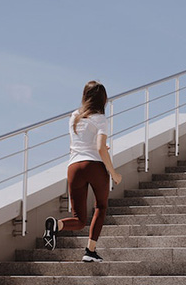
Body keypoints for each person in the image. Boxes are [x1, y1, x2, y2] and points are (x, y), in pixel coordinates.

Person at [42, 81, 122, 262]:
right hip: (94, 166)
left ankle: (57, 225)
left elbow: (83, 143)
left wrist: (98, 148)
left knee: (78, 220)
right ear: (103, 100)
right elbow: (100, 149)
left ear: (85, 97)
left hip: (74, 167)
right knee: (100, 207)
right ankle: (90, 251)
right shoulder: (101, 119)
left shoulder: (74, 116)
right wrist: (114, 174)